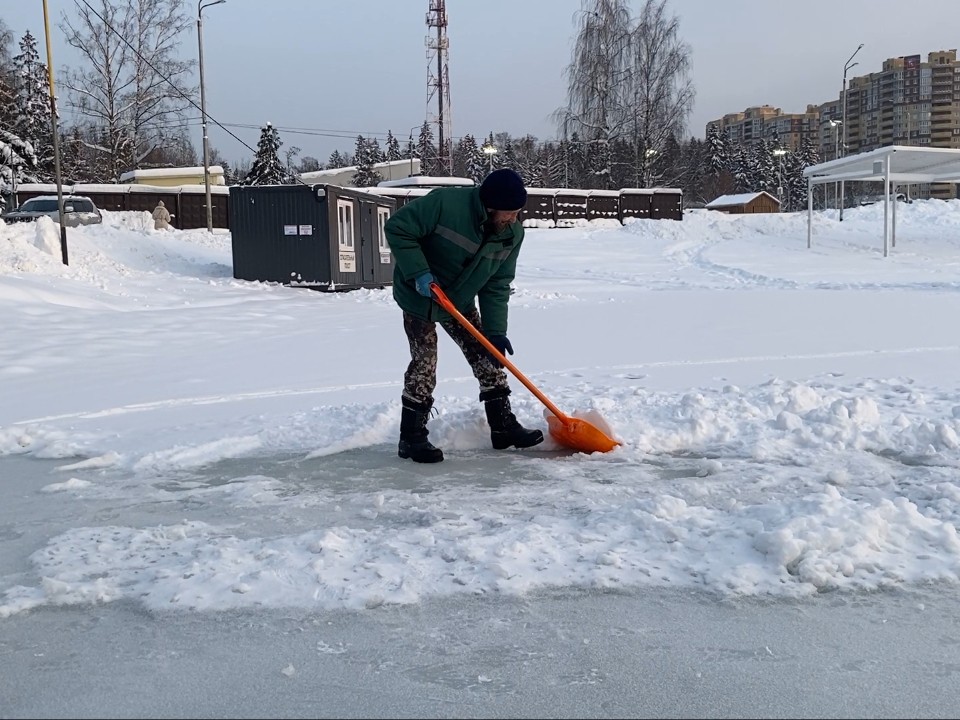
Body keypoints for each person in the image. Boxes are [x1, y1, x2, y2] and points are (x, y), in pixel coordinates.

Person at [384, 168, 544, 463]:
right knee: (425, 363)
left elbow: (497, 284)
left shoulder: (512, 234)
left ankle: (503, 427)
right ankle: (411, 438)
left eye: (517, 213)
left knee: (488, 354)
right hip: (420, 296)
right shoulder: (444, 204)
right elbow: (398, 228)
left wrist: (496, 331)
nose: (513, 219)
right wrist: (419, 272)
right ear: (490, 205)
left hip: (457, 299)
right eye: (508, 213)